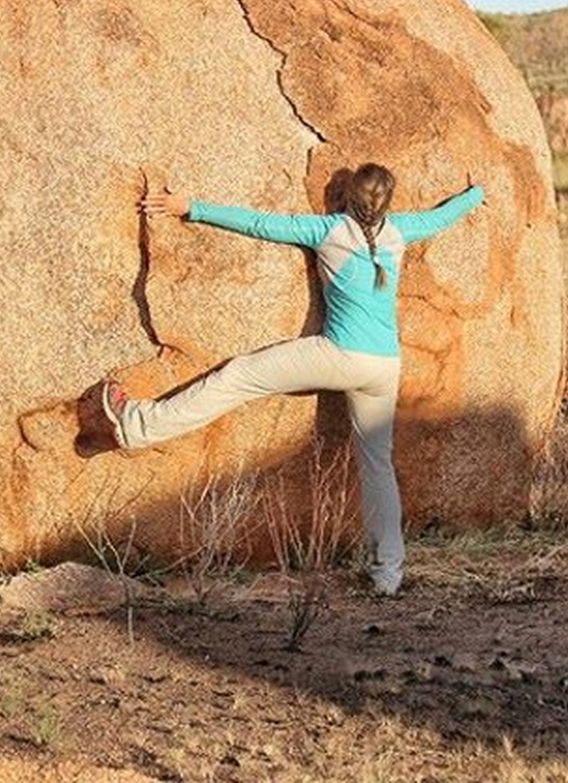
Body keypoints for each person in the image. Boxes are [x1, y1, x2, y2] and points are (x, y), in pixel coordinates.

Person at [93, 163, 484, 596]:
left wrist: (191, 207)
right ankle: (387, 576)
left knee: (240, 375)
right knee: (378, 467)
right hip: (384, 365)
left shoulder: (330, 231)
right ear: (386, 203)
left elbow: (261, 225)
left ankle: (138, 425)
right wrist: (476, 193)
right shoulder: (400, 231)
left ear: (348, 199)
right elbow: (442, 217)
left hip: (337, 355)